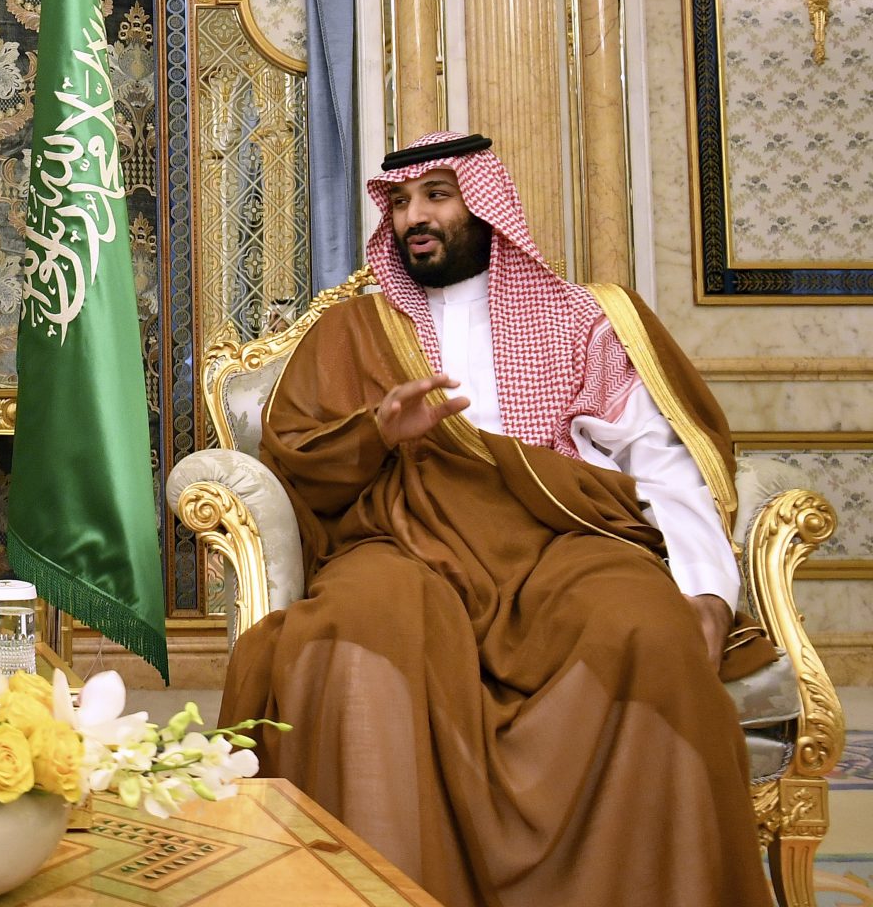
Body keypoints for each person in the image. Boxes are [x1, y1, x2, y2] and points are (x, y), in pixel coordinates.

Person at [220, 130, 776, 907]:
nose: (415, 216)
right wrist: (378, 432)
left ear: (485, 206)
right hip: (403, 542)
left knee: (646, 631)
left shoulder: (578, 320)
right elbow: (297, 461)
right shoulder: (351, 333)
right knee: (347, 639)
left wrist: (708, 588)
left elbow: (658, 460)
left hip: (558, 542)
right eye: (400, 202)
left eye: (436, 195)